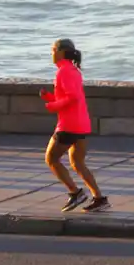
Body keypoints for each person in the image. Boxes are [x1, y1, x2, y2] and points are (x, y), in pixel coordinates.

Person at [41, 38, 108, 212]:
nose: (51, 54)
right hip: (81, 123)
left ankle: (75, 192)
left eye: (53, 50)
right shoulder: (74, 71)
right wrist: (49, 97)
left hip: (68, 125)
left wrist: (51, 106)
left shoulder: (64, 71)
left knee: (51, 158)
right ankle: (99, 198)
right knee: (78, 162)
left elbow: (72, 98)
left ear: (62, 52)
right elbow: (70, 96)